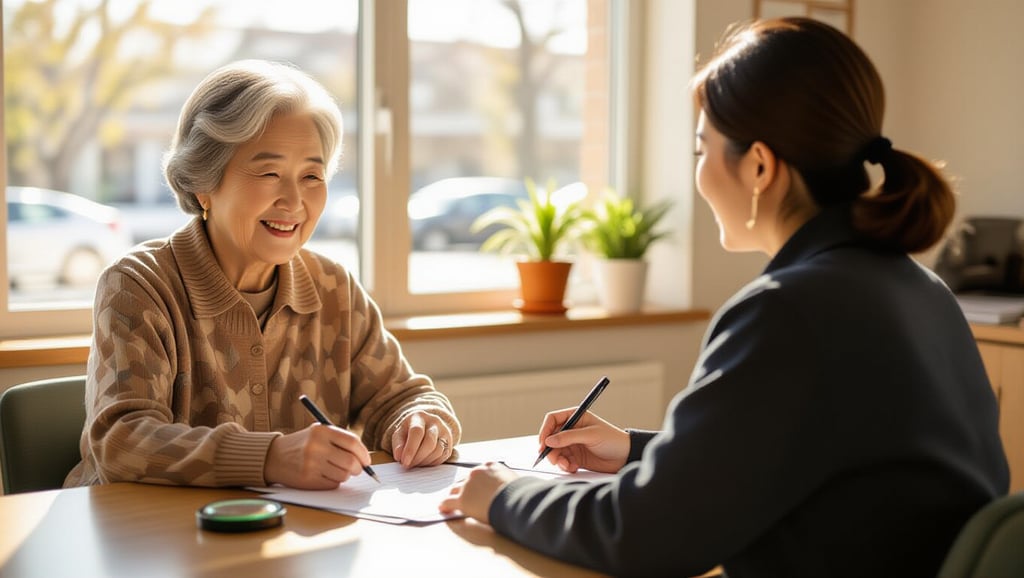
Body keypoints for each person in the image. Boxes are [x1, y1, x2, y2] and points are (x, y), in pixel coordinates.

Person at [439, 17, 1009, 577]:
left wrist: (504, 497)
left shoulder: (789, 309)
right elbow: (811, 457)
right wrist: (638, 452)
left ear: (759, 165)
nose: (699, 174)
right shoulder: (918, 289)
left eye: (700, 151)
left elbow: (646, 535)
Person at [65, 59, 460, 491]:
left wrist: (422, 423)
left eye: (312, 175)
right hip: (143, 540)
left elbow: (403, 397)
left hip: (284, 540)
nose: (294, 200)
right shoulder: (139, 285)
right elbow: (121, 441)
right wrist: (269, 457)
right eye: (270, 173)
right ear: (203, 182)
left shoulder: (335, 290)